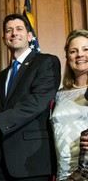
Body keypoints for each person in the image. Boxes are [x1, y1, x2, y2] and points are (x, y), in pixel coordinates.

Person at [0, 13, 61, 181]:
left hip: (31, 164)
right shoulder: (0, 77)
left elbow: (37, 102)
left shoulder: (46, 62)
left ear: (30, 36)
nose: (14, 33)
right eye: (9, 30)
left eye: (19, 29)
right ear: (4, 38)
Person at [50, 29, 88, 180]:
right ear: (67, 57)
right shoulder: (57, 95)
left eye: (86, 49)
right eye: (74, 51)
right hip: (63, 173)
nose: (80, 54)